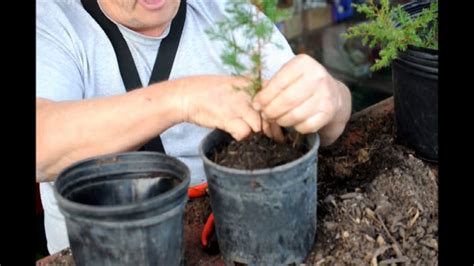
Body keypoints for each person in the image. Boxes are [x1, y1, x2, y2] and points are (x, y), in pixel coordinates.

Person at [36, 0, 352, 254]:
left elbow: (327, 123)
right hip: (102, 251)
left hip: (236, 234)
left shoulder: (226, 12)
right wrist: (184, 98)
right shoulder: (53, 21)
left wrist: (333, 98)